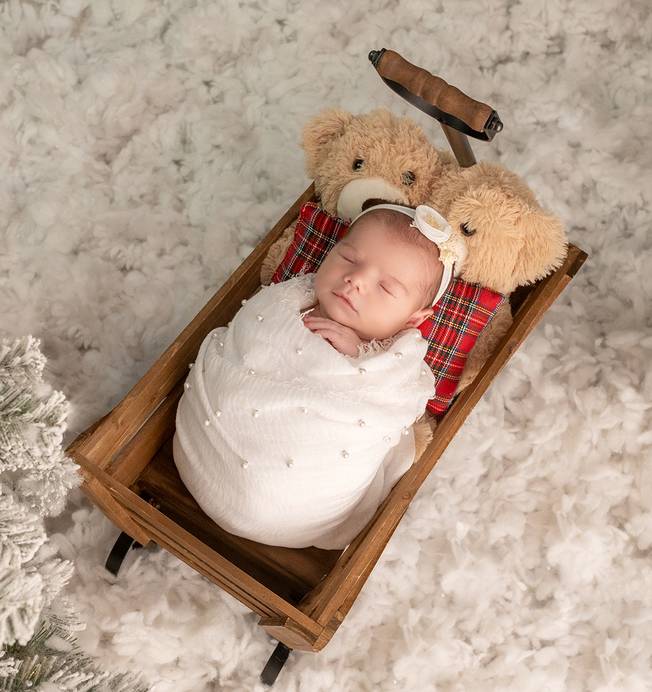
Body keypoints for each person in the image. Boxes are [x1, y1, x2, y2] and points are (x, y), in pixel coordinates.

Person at [173, 203, 464, 549]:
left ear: (413, 320)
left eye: (385, 288)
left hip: (296, 511)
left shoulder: (394, 361)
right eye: (349, 259)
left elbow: (397, 398)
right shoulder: (288, 300)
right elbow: (245, 337)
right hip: (206, 456)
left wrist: (358, 356)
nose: (356, 280)